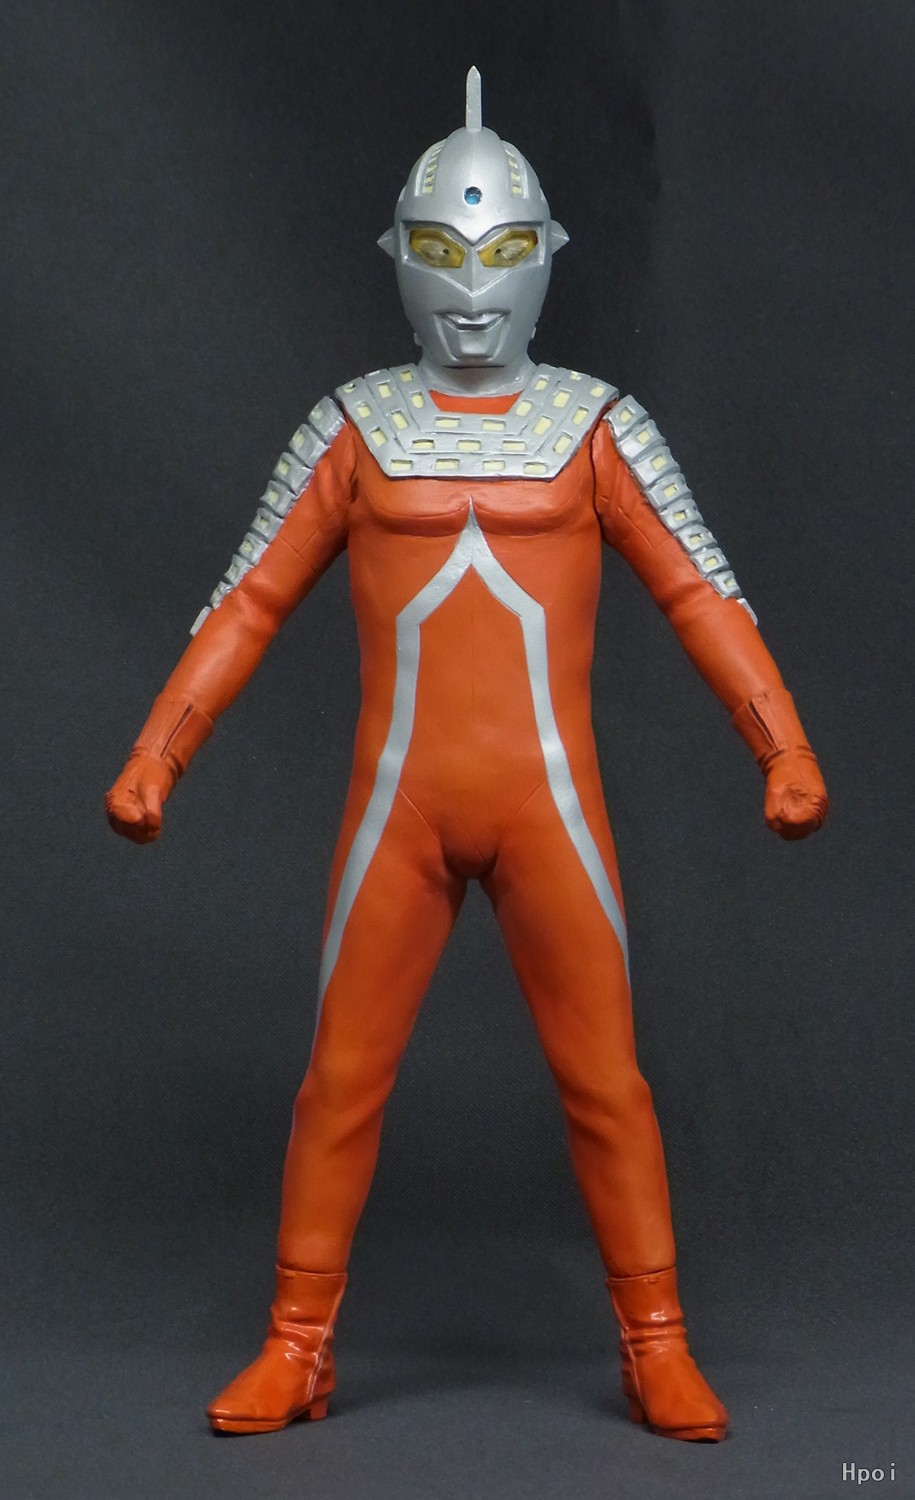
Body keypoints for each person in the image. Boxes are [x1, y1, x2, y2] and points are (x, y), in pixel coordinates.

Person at [106, 68, 827, 1442]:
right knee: (342, 1079)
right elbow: (248, 598)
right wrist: (161, 755)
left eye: (500, 253)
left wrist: (780, 747)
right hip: (403, 814)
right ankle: (298, 1344)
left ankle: (657, 1342)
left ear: (546, 256)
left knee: (605, 1083)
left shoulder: (598, 427)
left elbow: (701, 591)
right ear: (400, 257)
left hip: (551, 810)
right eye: (443, 251)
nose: (474, 289)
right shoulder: (355, 426)